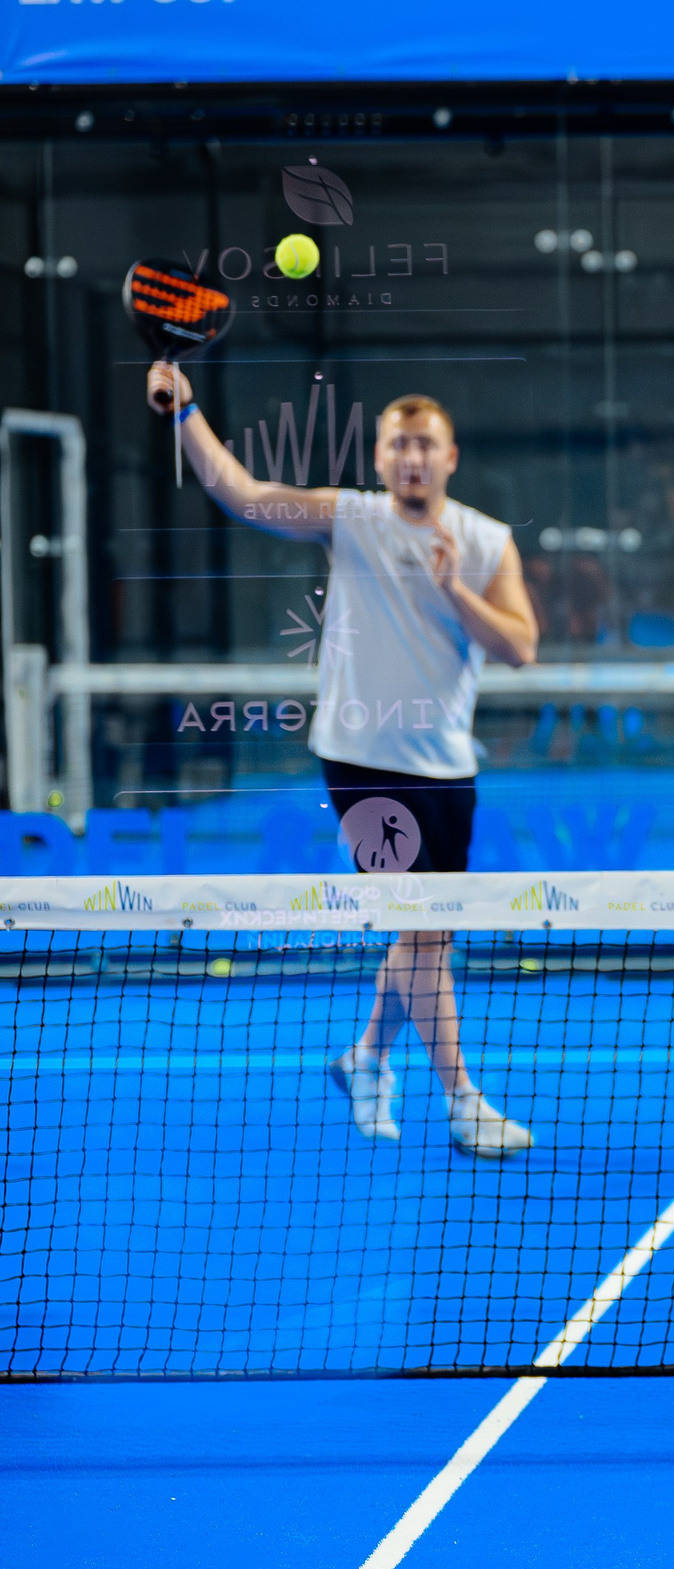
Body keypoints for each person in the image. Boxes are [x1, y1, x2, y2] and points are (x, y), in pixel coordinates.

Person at [145, 363, 542, 1160]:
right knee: (422, 934)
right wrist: (185, 410)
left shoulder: (486, 539)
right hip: (361, 763)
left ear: (450, 456)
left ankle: (364, 1057)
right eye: (398, 444)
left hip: (448, 766)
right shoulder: (350, 518)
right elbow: (242, 493)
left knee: (424, 934)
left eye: (424, 444)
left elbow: (521, 647)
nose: (411, 457)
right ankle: (463, 1102)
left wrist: (454, 589)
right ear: (380, 456)